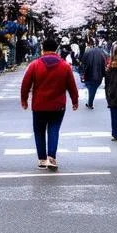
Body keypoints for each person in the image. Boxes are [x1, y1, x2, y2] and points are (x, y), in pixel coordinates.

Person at [21, 36, 79, 170]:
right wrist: (74, 101)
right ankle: (51, 157)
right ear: (56, 49)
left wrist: (24, 100)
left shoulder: (35, 65)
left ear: (43, 49)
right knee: (54, 130)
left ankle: (42, 159)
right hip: (58, 105)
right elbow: (71, 85)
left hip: (39, 105)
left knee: (39, 131)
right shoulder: (64, 66)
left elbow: (26, 84)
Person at [79, 39, 108, 109]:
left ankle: (90, 103)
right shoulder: (102, 52)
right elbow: (104, 63)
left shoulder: (87, 52)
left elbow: (82, 63)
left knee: (91, 87)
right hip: (98, 75)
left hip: (88, 74)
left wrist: (82, 73)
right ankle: (90, 102)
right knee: (93, 88)